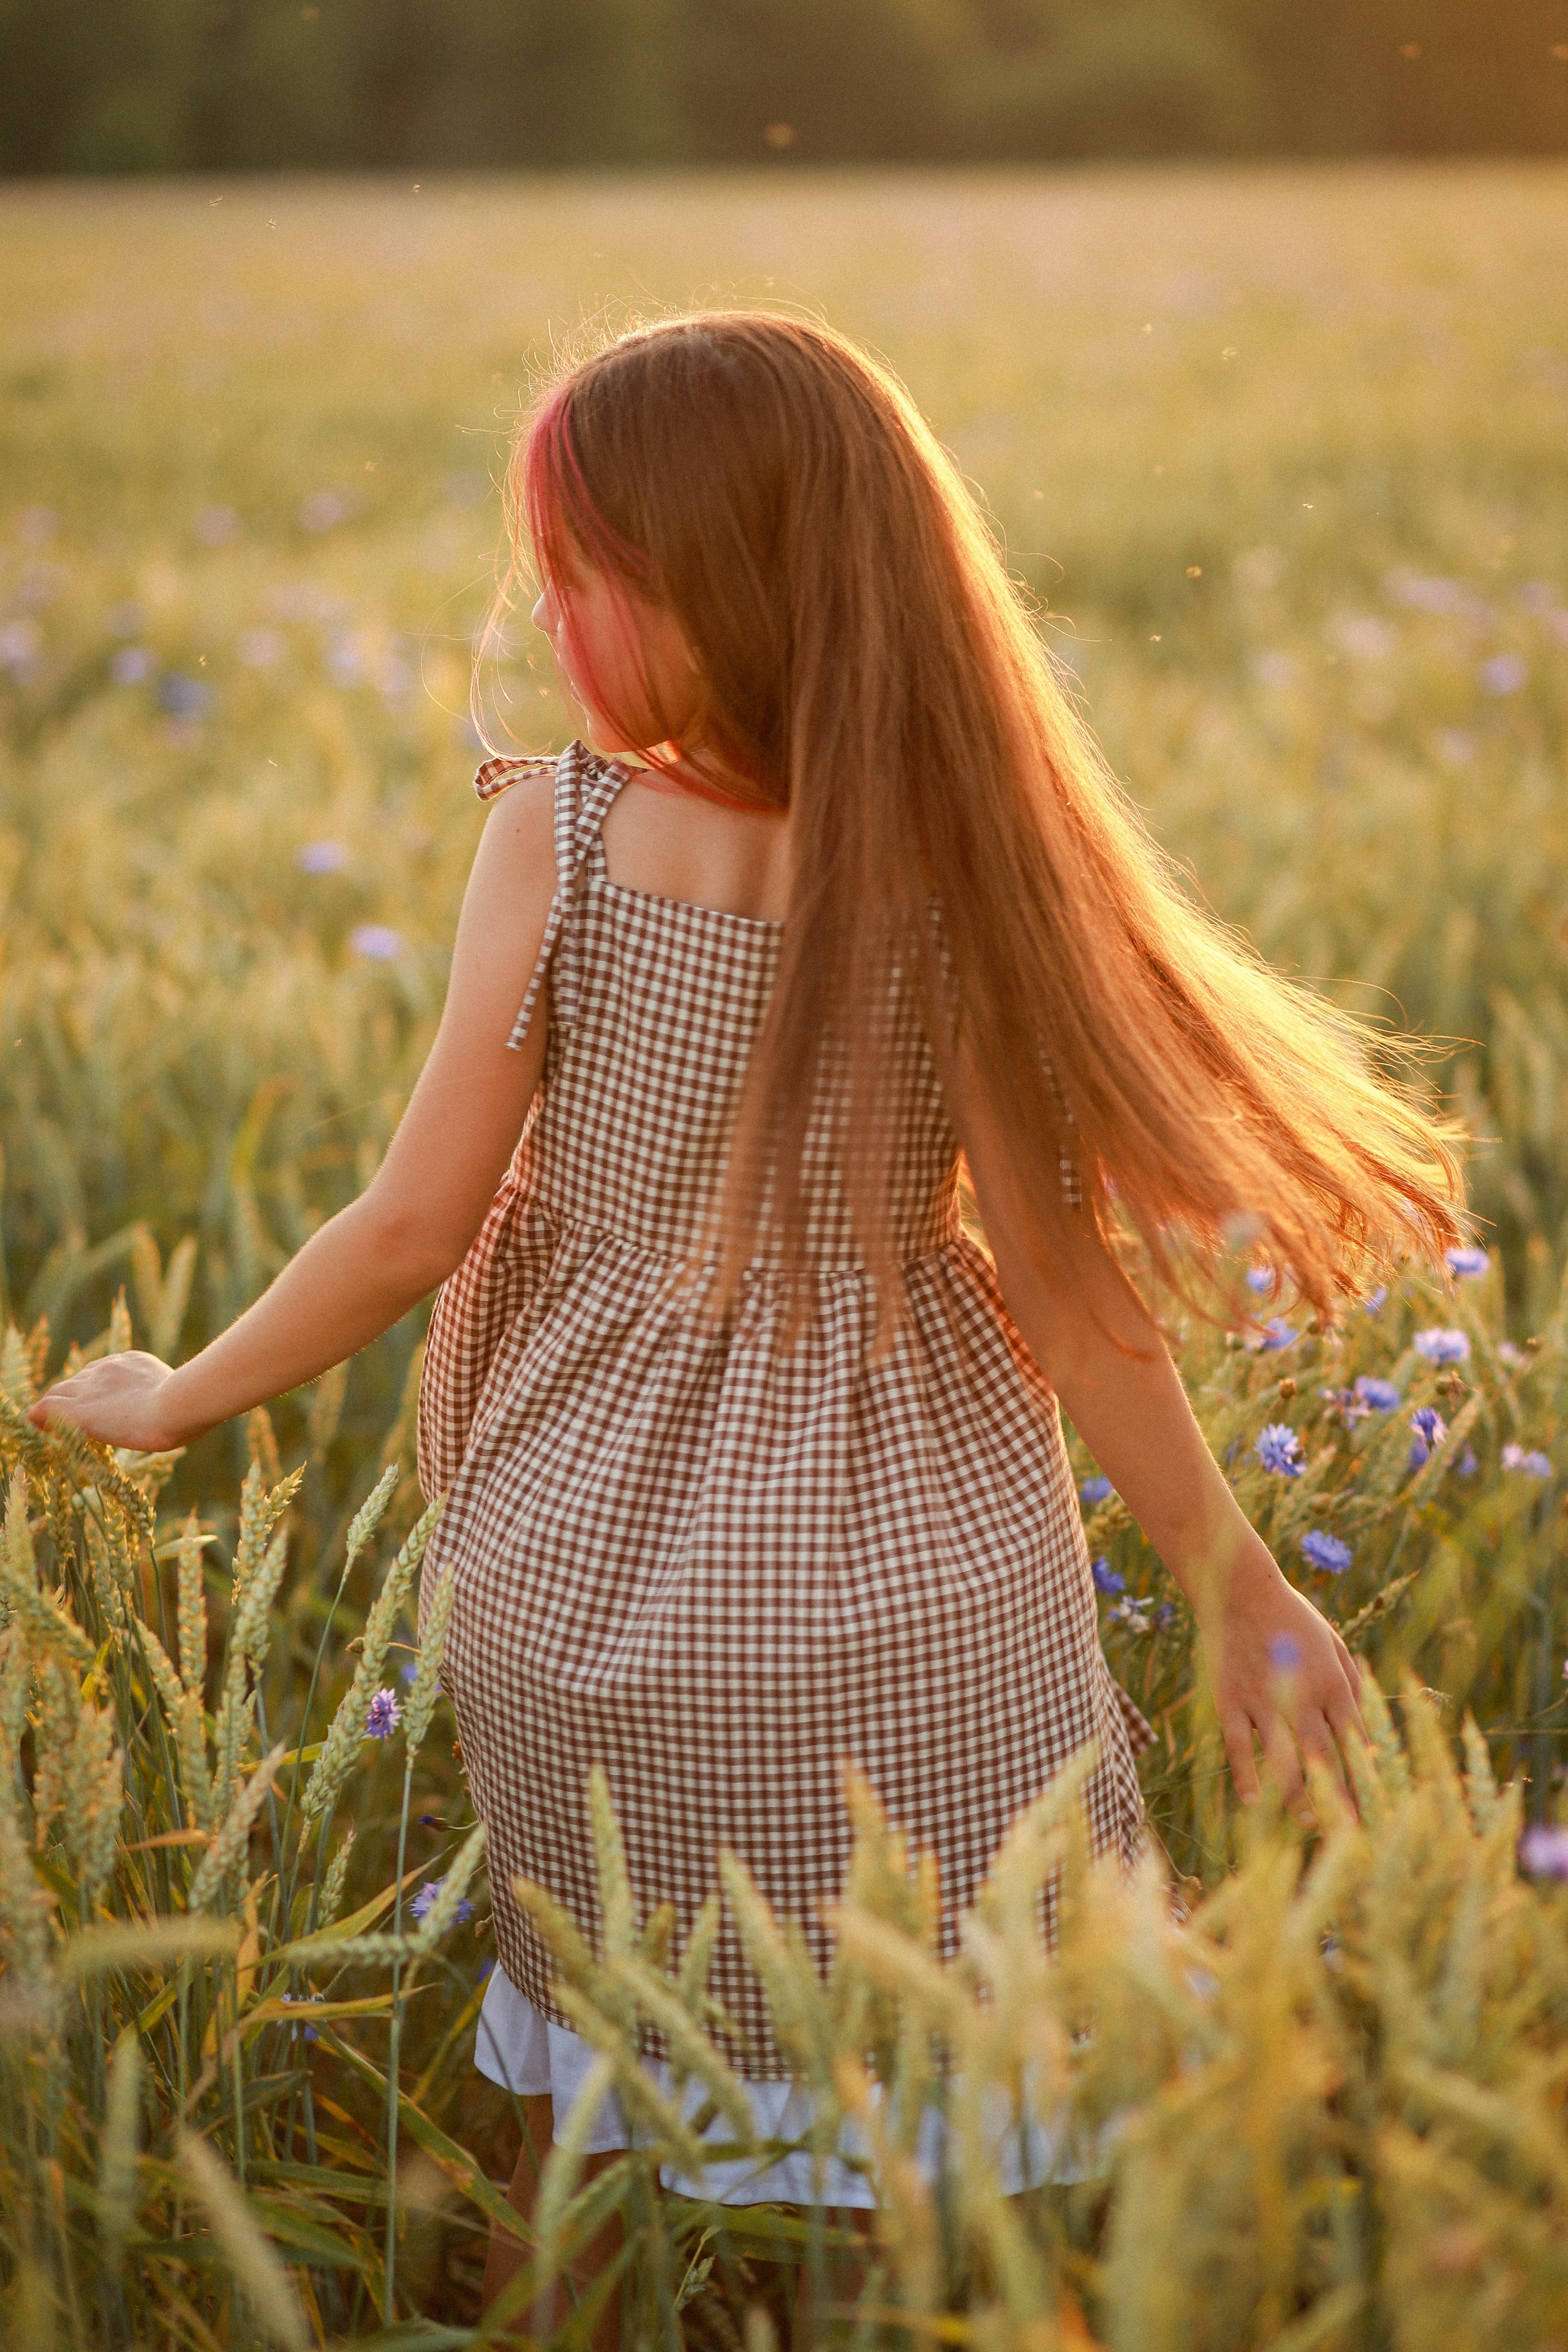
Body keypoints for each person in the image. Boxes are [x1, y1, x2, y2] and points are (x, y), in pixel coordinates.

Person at [34, 312, 1461, 2317]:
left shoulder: (562, 836)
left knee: (594, 2089)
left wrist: (180, 1394)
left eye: (582, 575)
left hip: (579, 1584)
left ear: (720, 593)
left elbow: (408, 1227)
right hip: (918, 1596)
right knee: (948, 2104)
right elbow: (1069, 1294)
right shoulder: (950, 863)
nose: (547, 614)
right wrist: (1235, 1578)